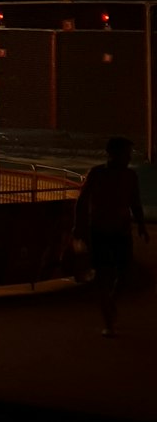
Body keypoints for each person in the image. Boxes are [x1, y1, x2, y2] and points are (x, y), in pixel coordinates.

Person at [74, 136, 149, 337]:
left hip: (121, 231)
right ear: (113, 154)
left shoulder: (130, 176)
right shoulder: (98, 174)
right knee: (103, 275)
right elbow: (82, 201)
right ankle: (108, 321)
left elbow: (135, 201)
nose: (128, 157)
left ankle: (112, 301)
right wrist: (78, 227)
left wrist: (141, 224)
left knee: (124, 274)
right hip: (100, 231)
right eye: (125, 153)